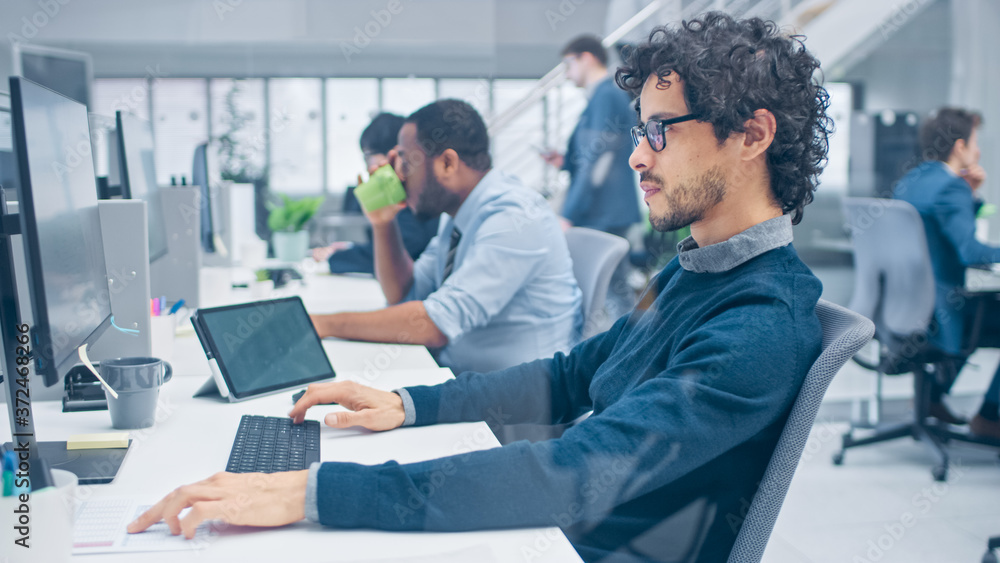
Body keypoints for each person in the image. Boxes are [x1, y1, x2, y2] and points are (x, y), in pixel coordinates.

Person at [129, 14, 833, 562]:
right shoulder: (695, 268)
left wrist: (312, 491)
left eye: (659, 130)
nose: (635, 154)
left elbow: (574, 471)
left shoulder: (760, 322)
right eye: (637, 130)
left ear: (752, 135)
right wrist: (407, 402)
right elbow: (568, 378)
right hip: (554, 527)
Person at [310, 99, 582, 376]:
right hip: (466, 378)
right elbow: (403, 294)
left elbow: (436, 324)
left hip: (519, 402)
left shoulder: (514, 217)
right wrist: (384, 223)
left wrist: (324, 324)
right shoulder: (456, 216)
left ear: (448, 164)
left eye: (405, 160)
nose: (398, 175)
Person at [892, 107, 1000, 439]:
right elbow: (969, 251)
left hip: (906, 308)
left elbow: (942, 228)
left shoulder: (912, 180)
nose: (977, 151)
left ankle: (933, 400)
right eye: (974, 143)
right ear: (959, 147)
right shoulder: (950, 187)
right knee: (980, 312)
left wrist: (969, 195)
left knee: (977, 309)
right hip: (941, 312)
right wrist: (964, 192)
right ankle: (990, 417)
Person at [312, 113, 440, 275]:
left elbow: (400, 251)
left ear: (393, 153)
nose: (366, 167)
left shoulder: (414, 194)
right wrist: (349, 247)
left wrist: (335, 256)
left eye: (367, 156)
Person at [542, 35, 641, 237]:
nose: (567, 74)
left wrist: (568, 214)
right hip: (604, 211)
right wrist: (565, 161)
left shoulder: (606, 96)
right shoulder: (601, 96)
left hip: (603, 212)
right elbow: (598, 152)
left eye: (568, 64)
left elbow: (597, 160)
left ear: (587, 58)